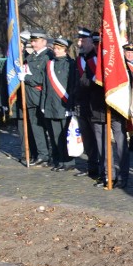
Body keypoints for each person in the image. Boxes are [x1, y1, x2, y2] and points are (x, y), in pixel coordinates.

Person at [19, 30, 53, 166]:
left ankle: (55, 155)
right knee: (36, 127)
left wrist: (26, 77)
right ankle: (42, 154)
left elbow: (42, 78)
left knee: (48, 128)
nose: (33, 44)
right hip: (30, 97)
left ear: (44, 41)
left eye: (36, 41)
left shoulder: (48, 56)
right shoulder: (30, 57)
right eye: (32, 41)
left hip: (43, 97)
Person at [42, 37, 76, 171]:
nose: (55, 51)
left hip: (64, 105)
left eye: (58, 48)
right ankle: (59, 160)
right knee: (55, 136)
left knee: (65, 135)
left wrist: (71, 105)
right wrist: (43, 104)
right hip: (51, 105)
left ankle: (68, 161)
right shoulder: (50, 64)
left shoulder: (70, 64)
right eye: (54, 48)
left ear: (65, 50)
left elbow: (72, 86)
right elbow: (45, 85)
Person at [73, 28, 100, 178]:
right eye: (79, 40)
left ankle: (100, 168)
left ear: (91, 41)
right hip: (81, 104)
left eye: (83, 40)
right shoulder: (79, 58)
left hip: (93, 105)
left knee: (97, 138)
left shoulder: (96, 59)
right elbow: (74, 83)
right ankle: (91, 168)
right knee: (87, 138)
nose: (79, 43)